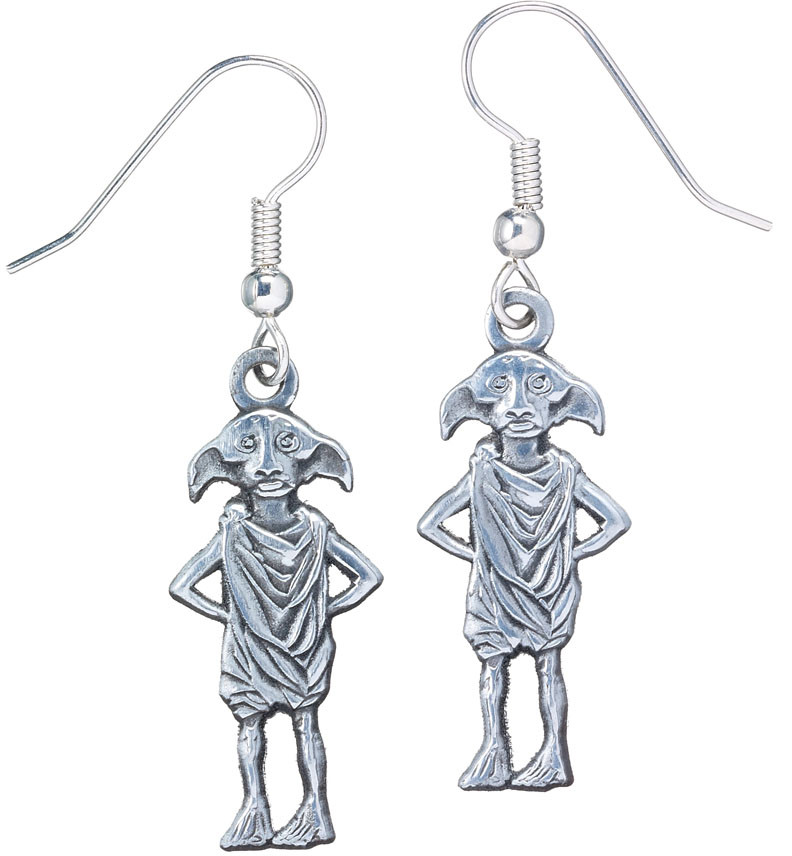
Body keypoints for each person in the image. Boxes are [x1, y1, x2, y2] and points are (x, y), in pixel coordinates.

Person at [171, 407, 382, 849]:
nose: (268, 466)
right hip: (256, 646)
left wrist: (323, 610)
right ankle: (255, 808)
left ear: (311, 464)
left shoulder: (316, 529)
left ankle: (314, 811)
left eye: (286, 449)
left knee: (298, 723)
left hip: (301, 645)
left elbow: (369, 576)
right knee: (267, 725)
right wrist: (231, 616)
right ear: (228, 468)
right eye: (249, 450)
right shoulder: (233, 532)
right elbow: (182, 586)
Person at [419, 349, 630, 791]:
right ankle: (494, 750)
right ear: (480, 409)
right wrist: (481, 555)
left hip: (548, 587)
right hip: (497, 588)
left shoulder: (565, 471)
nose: (518, 407)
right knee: (499, 667)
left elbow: (616, 521)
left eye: (536, 391)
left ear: (560, 408)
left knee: (544, 664)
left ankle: (553, 754)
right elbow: (430, 524)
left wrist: (569, 554)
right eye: (501, 391)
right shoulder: (482, 470)